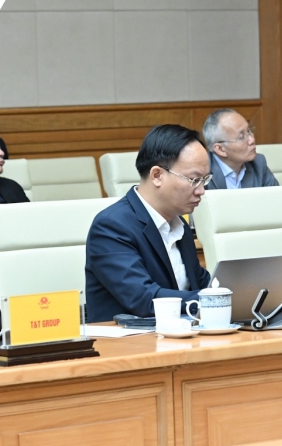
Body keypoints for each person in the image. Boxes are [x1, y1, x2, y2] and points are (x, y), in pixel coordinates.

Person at [85, 125, 212, 322]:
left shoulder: (179, 226)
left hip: (177, 333)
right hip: (129, 338)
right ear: (157, 176)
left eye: (205, 180)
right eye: (194, 180)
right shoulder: (111, 227)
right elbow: (144, 299)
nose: (201, 190)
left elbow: (200, 283)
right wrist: (213, 299)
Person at [203, 109, 278, 189]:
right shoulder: (201, 172)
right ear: (220, 149)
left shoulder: (258, 163)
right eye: (241, 137)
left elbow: (276, 195)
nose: (252, 140)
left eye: (249, 131)